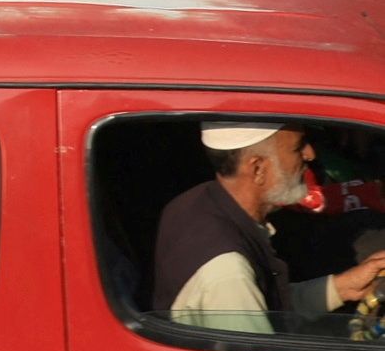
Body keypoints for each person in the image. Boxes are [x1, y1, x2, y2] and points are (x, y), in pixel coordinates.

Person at [153, 122, 385, 333]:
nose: (310, 154)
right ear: (257, 169)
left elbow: (266, 302)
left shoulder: (195, 201)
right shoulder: (228, 273)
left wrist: (342, 287)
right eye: (298, 147)